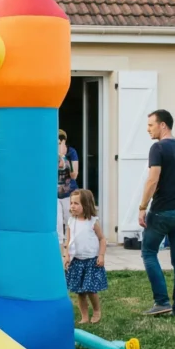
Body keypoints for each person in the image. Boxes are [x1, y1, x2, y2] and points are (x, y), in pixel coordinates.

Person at [139, 110, 175, 317]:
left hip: (162, 211)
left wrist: (143, 207)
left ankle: (161, 301)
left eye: (151, 125)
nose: (148, 129)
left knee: (148, 253)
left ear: (163, 125)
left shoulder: (158, 148)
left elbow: (153, 180)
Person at [62, 189, 107, 324]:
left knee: (90, 290)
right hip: (77, 261)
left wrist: (101, 255)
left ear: (86, 205)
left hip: (91, 261)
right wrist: (66, 256)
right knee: (80, 292)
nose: (72, 206)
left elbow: (102, 239)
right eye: (71, 203)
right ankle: (84, 316)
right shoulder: (71, 222)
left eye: (76, 203)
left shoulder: (93, 222)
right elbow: (68, 241)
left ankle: (97, 310)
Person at [57, 130, 80, 241]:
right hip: (54, 194)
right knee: (57, 222)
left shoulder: (71, 152)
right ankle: (60, 247)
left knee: (69, 220)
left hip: (69, 193)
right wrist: (59, 156)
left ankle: (69, 247)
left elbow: (74, 175)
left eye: (58, 143)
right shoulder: (50, 152)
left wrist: (64, 157)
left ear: (63, 142)